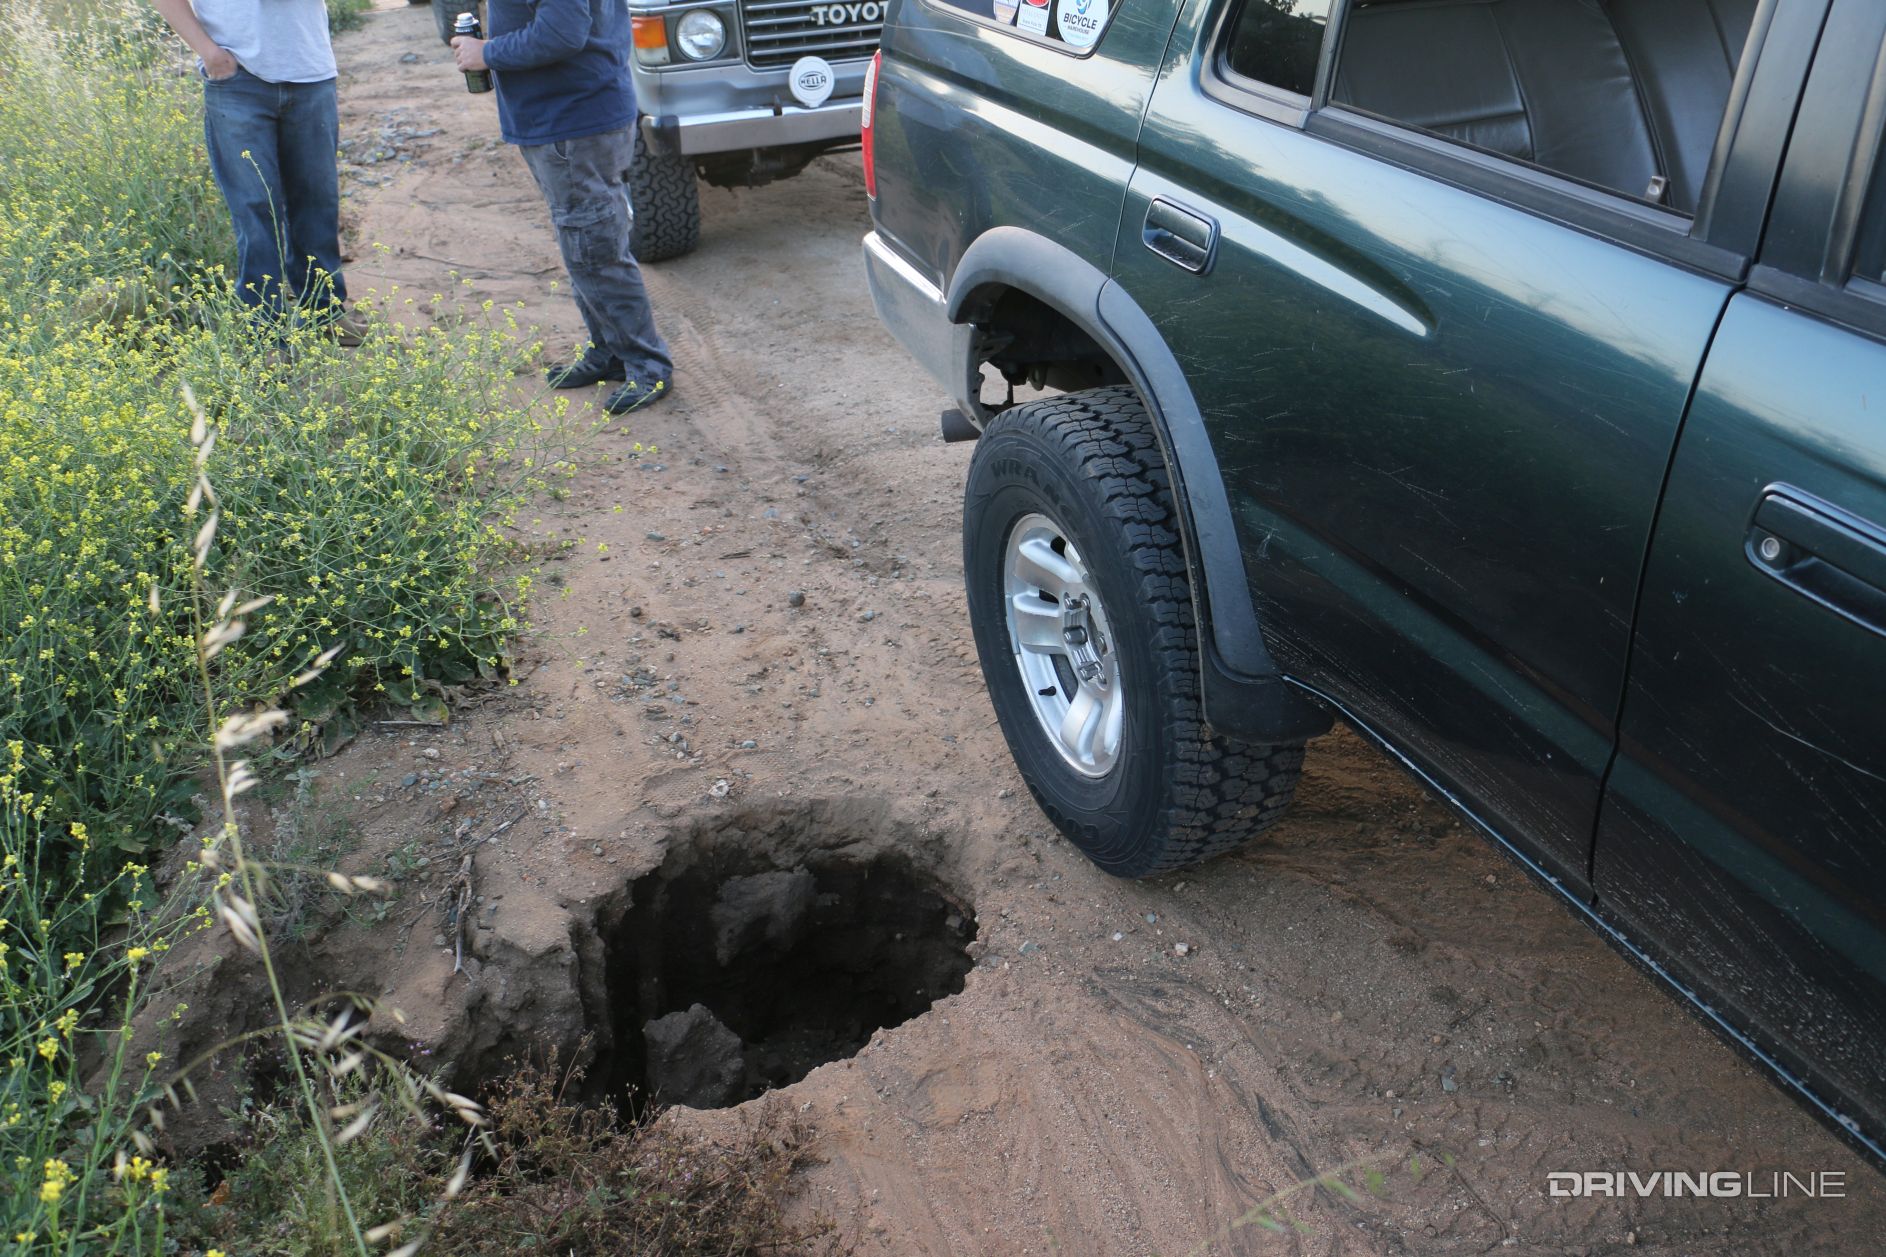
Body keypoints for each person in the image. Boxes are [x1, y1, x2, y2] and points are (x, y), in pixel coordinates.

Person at [452, 2, 674, 414]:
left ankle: (646, 364)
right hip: (561, 120)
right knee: (583, 246)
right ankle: (608, 351)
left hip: (574, 120)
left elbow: (561, 33)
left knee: (596, 250)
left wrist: (487, 53)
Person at [150, 0, 358, 337]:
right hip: (237, 78)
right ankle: (265, 331)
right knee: (255, 208)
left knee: (317, 202)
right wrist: (209, 53)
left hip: (310, 69)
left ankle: (324, 316)